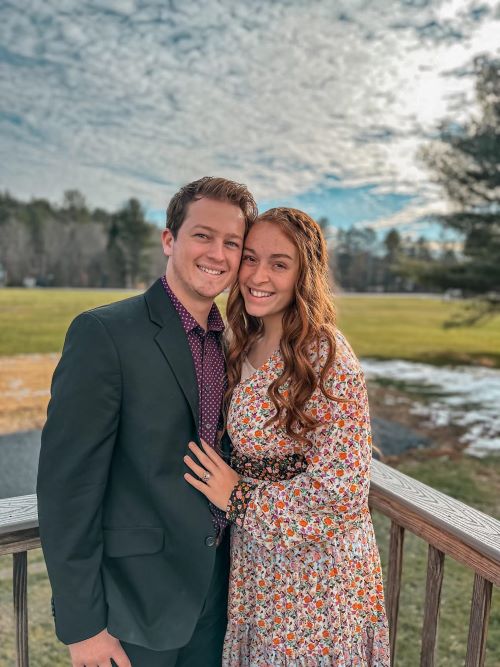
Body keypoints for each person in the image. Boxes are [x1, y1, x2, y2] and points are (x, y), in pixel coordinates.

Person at [36, 176, 257, 667]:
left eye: (232, 243)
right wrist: (84, 627)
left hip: (218, 603)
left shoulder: (234, 347)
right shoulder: (104, 334)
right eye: (203, 235)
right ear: (169, 240)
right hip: (131, 613)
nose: (217, 253)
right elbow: (65, 490)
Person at [185, 207, 390, 665]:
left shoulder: (327, 355)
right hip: (257, 564)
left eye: (279, 263)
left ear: (304, 274)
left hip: (317, 576)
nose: (258, 275)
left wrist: (238, 499)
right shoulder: (241, 342)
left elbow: (342, 494)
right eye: (251, 258)